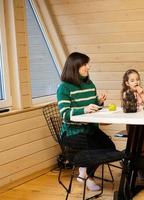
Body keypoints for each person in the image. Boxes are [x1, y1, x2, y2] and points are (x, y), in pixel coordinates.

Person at [57, 52, 116, 191]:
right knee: (98, 150)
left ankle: (84, 174)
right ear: (74, 67)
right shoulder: (64, 88)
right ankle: (87, 176)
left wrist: (99, 102)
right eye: (84, 64)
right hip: (72, 133)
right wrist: (84, 109)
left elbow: (92, 107)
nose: (88, 67)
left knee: (110, 148)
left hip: (89, 130)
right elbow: (65, 114)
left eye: (87, 64)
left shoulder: (89, 84)